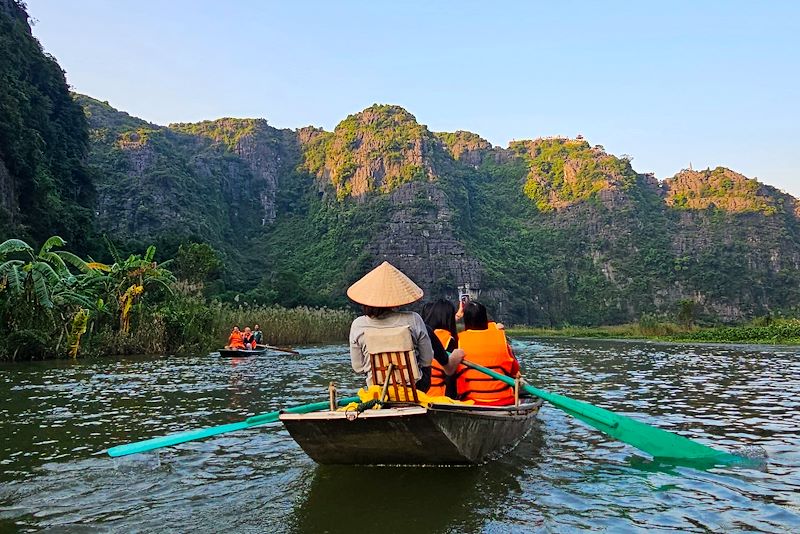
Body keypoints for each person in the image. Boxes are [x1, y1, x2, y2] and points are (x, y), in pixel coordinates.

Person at [348, 261, 435, 391]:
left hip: (378, 390)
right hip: (415, 388)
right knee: (425, 368)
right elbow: (427, 360)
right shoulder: (413, 319)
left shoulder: (358, 325)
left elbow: (358, 368)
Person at [455, 301, 520, 405]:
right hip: (503, 400)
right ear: (485, 319)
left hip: (470, 401)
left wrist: (457, 316)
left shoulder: (459, 341)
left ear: (465, 320)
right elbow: (515, 370)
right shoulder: (501, 339)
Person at [421, 299, 464, 398]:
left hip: (420, 394)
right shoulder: (448, 340)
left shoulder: (421, 333)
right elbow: (450, 375)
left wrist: (457, 315)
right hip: (438, 397)